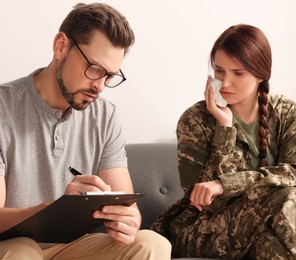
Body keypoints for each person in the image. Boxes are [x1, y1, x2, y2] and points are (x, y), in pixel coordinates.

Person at [151, 24, 296, 259]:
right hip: (202, 231)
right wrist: (224, 128)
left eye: (237, 73)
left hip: (259, 230)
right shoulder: (194, 120)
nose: (225, 83)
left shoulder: (286, 113)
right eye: (219, 71)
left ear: (261, 74)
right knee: (285, 195)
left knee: (273, 248)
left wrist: (227, 183)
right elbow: (208, 203)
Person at [0, 3, 171, 259]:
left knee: (152, 244)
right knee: (21, 251)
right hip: (12, 245)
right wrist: (59, 209)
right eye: (94, 69)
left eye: (109, 77)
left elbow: (127, 205)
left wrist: (128, 222)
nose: (99, 86)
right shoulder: (4, 107)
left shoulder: (106, 116)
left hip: (75, 248)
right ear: (61, 46)